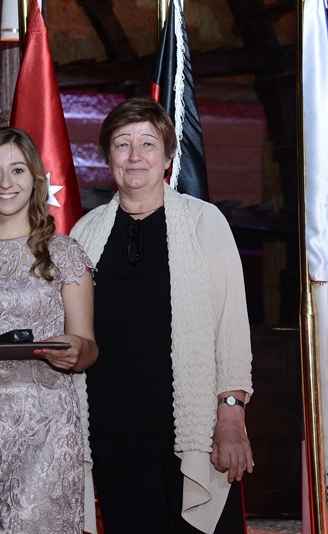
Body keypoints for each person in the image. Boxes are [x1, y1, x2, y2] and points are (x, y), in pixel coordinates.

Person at [70, 97, 253, 534]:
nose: (135, 156)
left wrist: (231, 416)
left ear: (168, 156)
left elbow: (231, 328)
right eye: (122, 144)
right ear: (108, 156)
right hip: (111, 434)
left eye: (148, 144)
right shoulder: (84, 232)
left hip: (191, 436)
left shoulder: (203, 222)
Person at [0, 127, 98, 533]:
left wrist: (75, 349)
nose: (5, 182)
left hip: (49, 425)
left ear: (35, 179)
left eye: (17, 170)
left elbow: (89, 348)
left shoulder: (65, 254)